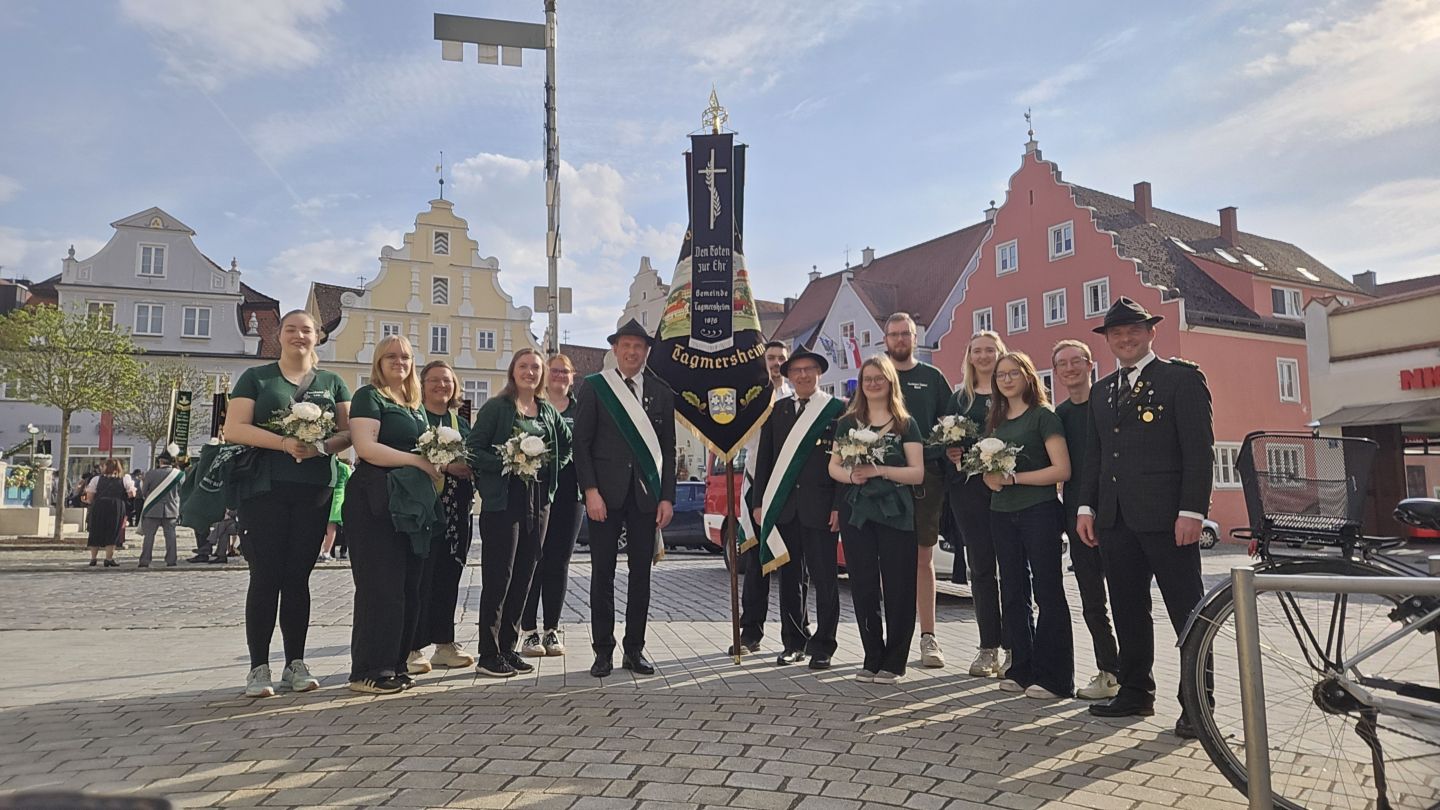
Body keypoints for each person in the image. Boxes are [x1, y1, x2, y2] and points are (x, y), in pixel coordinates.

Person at [1075, 297, 1214, 738]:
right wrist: (1086, 507)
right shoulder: (1103, 390)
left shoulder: (1180, 380)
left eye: (1134, 330)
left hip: (1169, 518)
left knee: (1188, 613)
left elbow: (1199, 452)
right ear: (1108, 341)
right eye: (1117, 333)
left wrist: (1192, 511)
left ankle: (1198, 703)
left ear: (1151, 332)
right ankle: (1136, 691)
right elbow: (1097, 454)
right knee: (1129, 610)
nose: (1126, 338)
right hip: (1116, 520)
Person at [224, 309, 353, 698]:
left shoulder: (332, 382)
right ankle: (258, 667)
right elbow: (234, 428)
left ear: (318, 338)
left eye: (307, 330)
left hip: (313, 489)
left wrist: (322, 446)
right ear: (278, 335)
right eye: (291, 329)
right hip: (264, 489)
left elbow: (348, 432)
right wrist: (284, 443)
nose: (299, 335)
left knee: (298, 578)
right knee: (265, 576)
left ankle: (295, 663)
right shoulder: (257, 377)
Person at [573, 319, 677, 678]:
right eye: (626, 346)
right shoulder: (596, 387)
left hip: (645, 498)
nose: (632, 352)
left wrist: (667, 498)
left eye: (639, 347)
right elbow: (581, 444)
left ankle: (635, 649)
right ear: (615, 350)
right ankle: (603, 650)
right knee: (602, 574)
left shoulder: (662, 392)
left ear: (647, 351)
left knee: (640, 577)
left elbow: (668, 449)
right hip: (605, 496)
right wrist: (590, 492)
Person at [344, 334, 441, 694]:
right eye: (391, 357)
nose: (400, 362)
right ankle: (368, 670)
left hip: (410, 502)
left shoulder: (413, 403)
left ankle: (395, 662)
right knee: (379, 586)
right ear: (379, 362)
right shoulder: (370, 396)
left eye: (406, 356)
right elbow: (366, 448)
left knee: (407, 587)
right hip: (375, 496)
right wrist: (418, 460)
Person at [467, 348, 572, 677]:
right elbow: (473, 449)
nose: (530, 372)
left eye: (535, 368)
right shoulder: (498, 408)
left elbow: (567, 445)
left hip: (538, 500)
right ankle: (488, 652)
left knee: (525, 576)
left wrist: (550, 464)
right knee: (500, 577)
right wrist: (507, 461)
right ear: (513, 371)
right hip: (503, 500)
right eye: (524, 366)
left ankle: (509, 649)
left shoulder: (547, 412)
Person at [827, 355, 925, 684]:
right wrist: (851, 477)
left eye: (878, 378)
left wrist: (879, 470)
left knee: (898, 586)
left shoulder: (905, 423)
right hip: (859, 515)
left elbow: (917, 472)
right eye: (867, 378)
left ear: (889, 382)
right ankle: (872, 656)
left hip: (897, 513)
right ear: (861, 383)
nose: (872, 383)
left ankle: (895, 661)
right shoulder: (848, 423)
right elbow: (834, 466)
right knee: (863, 584)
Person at [982, 352, 1073, 700]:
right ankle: (1022, 668)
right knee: (1014, 591)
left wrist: (1014, 477)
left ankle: (1055, 678)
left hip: (1039, 510)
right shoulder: (997, 421)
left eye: (1013, 373)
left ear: (1028, 375)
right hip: (1001, 513)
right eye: (1001, 375)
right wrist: (990, 480)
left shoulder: (1043, 416)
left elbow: (1061, 470)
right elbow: (990, 472)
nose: (1006, 379)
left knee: (1048, 592)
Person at [750, 348, 842, 668]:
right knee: (790, 579)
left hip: (821, 509)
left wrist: (838, 506)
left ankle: (824, 645)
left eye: (809, 369)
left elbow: (844, 461)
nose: (802, 375)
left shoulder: (835, 410)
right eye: (797, 370)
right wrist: (760, 503)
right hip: (785, 508)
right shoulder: (777, 411)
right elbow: (765, 461)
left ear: (819, 373)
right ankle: (794, 641)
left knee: (825, 579)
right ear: (788, 375)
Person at [882, 312, 953, 669]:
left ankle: (928, 637)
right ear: (885, 340)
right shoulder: (876, 376)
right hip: (882, 480)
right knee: (889, 561)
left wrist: (941, 450)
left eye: (904, 334)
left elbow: (951, 424)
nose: (899, 340)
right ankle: (892, 638)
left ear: (914, 336)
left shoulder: (932, 377)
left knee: (923, 560)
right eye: (893, 335)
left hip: (926, 478)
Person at [1053, 339, 1121, 701]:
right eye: (1062, 363)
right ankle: (1109, 671)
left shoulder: (1109, 403)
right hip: (1076, 515)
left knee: (1126, 597)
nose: (1069, 368)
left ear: (1091, 363)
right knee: (1092, 599)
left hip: (1115, 511)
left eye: (1076, 361)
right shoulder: (1059, 416)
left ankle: (1136, 673)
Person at [943, 330, 1011, 678]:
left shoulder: (1012, 392)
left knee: (1014, 568)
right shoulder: (960, 399)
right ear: (969, 357)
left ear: (1000, 353)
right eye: (977, 351)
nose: (983, 356)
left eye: (990, 350)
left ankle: (1016, 645)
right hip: (968, 492)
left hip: (1009, 490)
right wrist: (950, 451)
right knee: (981, 569)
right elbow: (946, 444)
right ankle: (989, 648)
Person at [408, 360, 479, 673]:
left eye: (447, 381)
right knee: (419, 577)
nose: (441, 386)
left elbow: (474, 451)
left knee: (450, 574)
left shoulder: (460, 420)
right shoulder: (413, 416)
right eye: (434, 380)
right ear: (422, 385)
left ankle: (444, 643)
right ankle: (411, 646)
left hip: (457, 508)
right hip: (423, 506)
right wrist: (445, 466)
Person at [732, 340, 795, 656]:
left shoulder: (796, 397)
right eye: (770, 358)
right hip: (757, 482)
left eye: (781, 358)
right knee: (757, 564)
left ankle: (797, 633)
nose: (775, 363)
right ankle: (750, 632)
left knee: (793, 563)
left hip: (788, 485)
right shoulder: (750, 396)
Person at [520, 353, 585, 658]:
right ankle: (529, 632)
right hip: (536, 492)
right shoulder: (533, 408)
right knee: (534, 560)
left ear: (573, 377)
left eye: (564, 372)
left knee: (559, 562)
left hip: (570, 495)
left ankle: (552, 629)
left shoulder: (581, 409)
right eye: (554, 371)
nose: (559, 376)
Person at [137, 445, 184, 568]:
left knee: (149, 537)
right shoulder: (179, 475)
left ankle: (145, 561)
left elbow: (143, 492)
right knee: (171, 537)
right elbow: (182, 492)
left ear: (160, 461)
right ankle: (171, 560)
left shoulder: (150, 474)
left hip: (153, 509)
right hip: (172, 509)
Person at [84, 458, 133, 567]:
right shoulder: (124, 479)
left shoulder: (96, 479)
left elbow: (90, 497)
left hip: (99, 505)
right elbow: (131, 494)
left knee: (96, 531)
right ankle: (108, 558)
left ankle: (93, 558)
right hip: (116, 506)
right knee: (113, 531)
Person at [318, 456, 352, 563]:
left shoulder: (327, 465)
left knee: (321, 526)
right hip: (338, 496)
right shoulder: (345, 467)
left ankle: (320, 552)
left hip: (325, 493)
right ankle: (326, 552)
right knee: (331, 526)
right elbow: (349, 481)